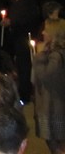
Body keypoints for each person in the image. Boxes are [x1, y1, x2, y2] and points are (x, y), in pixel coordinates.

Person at [32, 17, 65, 154]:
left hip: (53, 107)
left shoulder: (56, 56)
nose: (43, 33)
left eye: (46, 30)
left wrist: (39, 57)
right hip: (54, 105)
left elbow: (45, 76)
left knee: (55, 142)